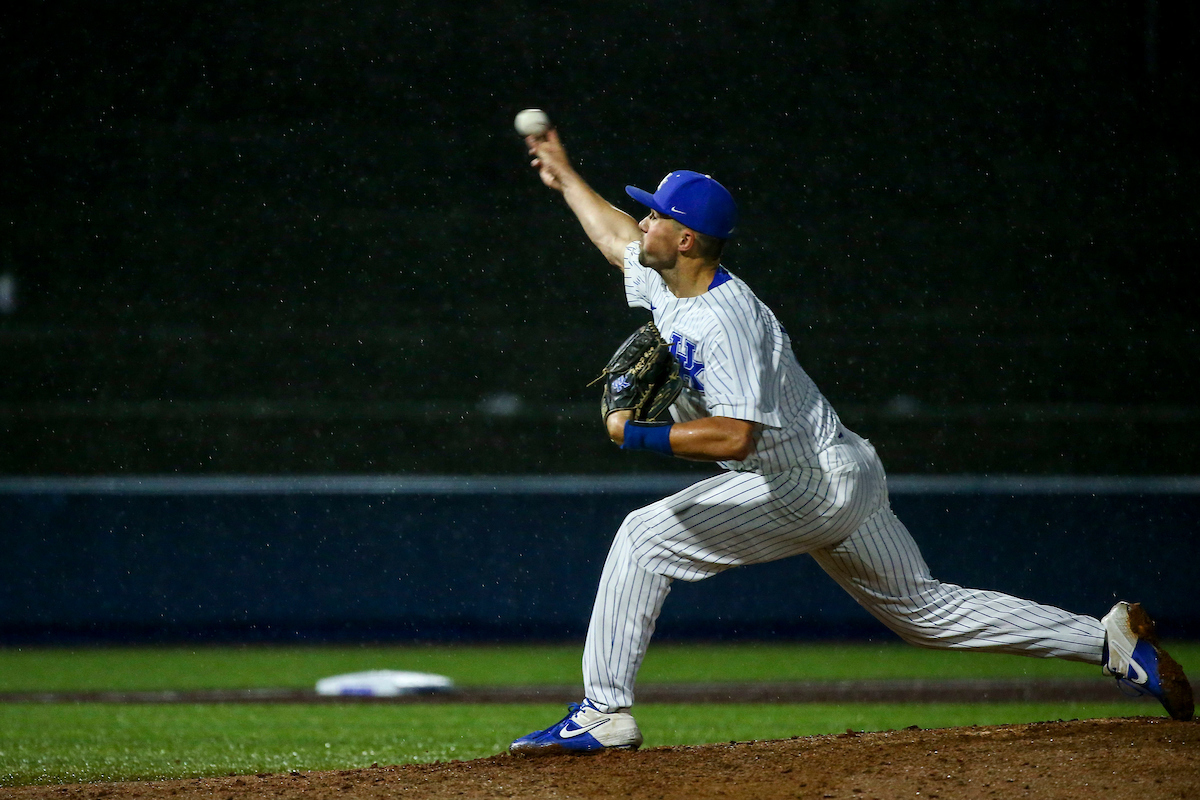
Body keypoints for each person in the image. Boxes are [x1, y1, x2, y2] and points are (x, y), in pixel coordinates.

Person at [509, 127, 1194, 755]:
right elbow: (614, 236)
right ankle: (1109, 642)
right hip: (844, 468)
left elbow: (738, 437)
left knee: (642, 538)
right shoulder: (668, 284)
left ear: (687, 240)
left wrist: (638, 436)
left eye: (659, 214)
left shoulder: (724, 320)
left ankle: (603, 711)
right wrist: (566, 175)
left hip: (797, 482)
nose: (646, 221)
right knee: (924, 612)